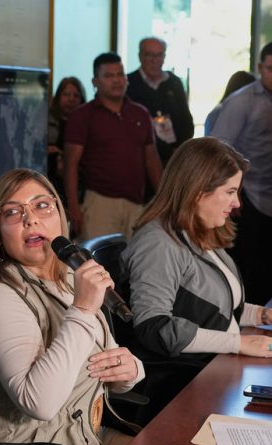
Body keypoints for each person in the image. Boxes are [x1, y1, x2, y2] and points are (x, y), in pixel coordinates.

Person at [0, 168, 144, 445]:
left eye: (42, 205)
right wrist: (84, 309)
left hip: (85, 437)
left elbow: (108, 364)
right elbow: (40, 403)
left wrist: (130, 371)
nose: (30, 219)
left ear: (61, 217)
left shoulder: (70, 278)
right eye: (13, 212)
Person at [121, 137, 272, 419]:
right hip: (179, 388)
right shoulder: (159, 244)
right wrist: (237, 343)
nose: (237, 203)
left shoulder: (196, 233)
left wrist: (262, 315)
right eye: (230, 192)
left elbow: (212, 310)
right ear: (199, 191)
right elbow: (154, 326)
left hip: (213, 372)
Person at [64, 52, 162, 241]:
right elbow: (71, 164)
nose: (116, 80)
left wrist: (164, 200)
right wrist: (73, 206)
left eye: (120, 74)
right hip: (100, 203)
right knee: (99, 258)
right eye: (109, 76)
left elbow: (152, 160)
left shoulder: (140, 113)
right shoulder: (82, 116)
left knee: (135, 257)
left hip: (137, 204)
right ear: (95, 82)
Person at [210, 41, 272, 304]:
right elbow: (217, 149)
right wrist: (229, 194)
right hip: (246, 196)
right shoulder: (242, 101)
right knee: (247, 268)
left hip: (268, 193)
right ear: (260, 68)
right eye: (270, 68)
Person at [126, 37, 194, 165]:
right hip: (142, 157)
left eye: (159, 55)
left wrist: (180, 149)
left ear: (164, 57)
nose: (154, 60)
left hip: (175, 156)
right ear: (140, 56)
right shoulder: (129, 84)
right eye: (149, 55)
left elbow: (186, 118)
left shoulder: (174, 82)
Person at [47, 77, 86, 203]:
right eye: (66, 94)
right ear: (58, 97)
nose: (71, 99)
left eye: (76, 96)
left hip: (79, 184)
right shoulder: (44, 121)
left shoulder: (86, 124)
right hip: (49, 181)